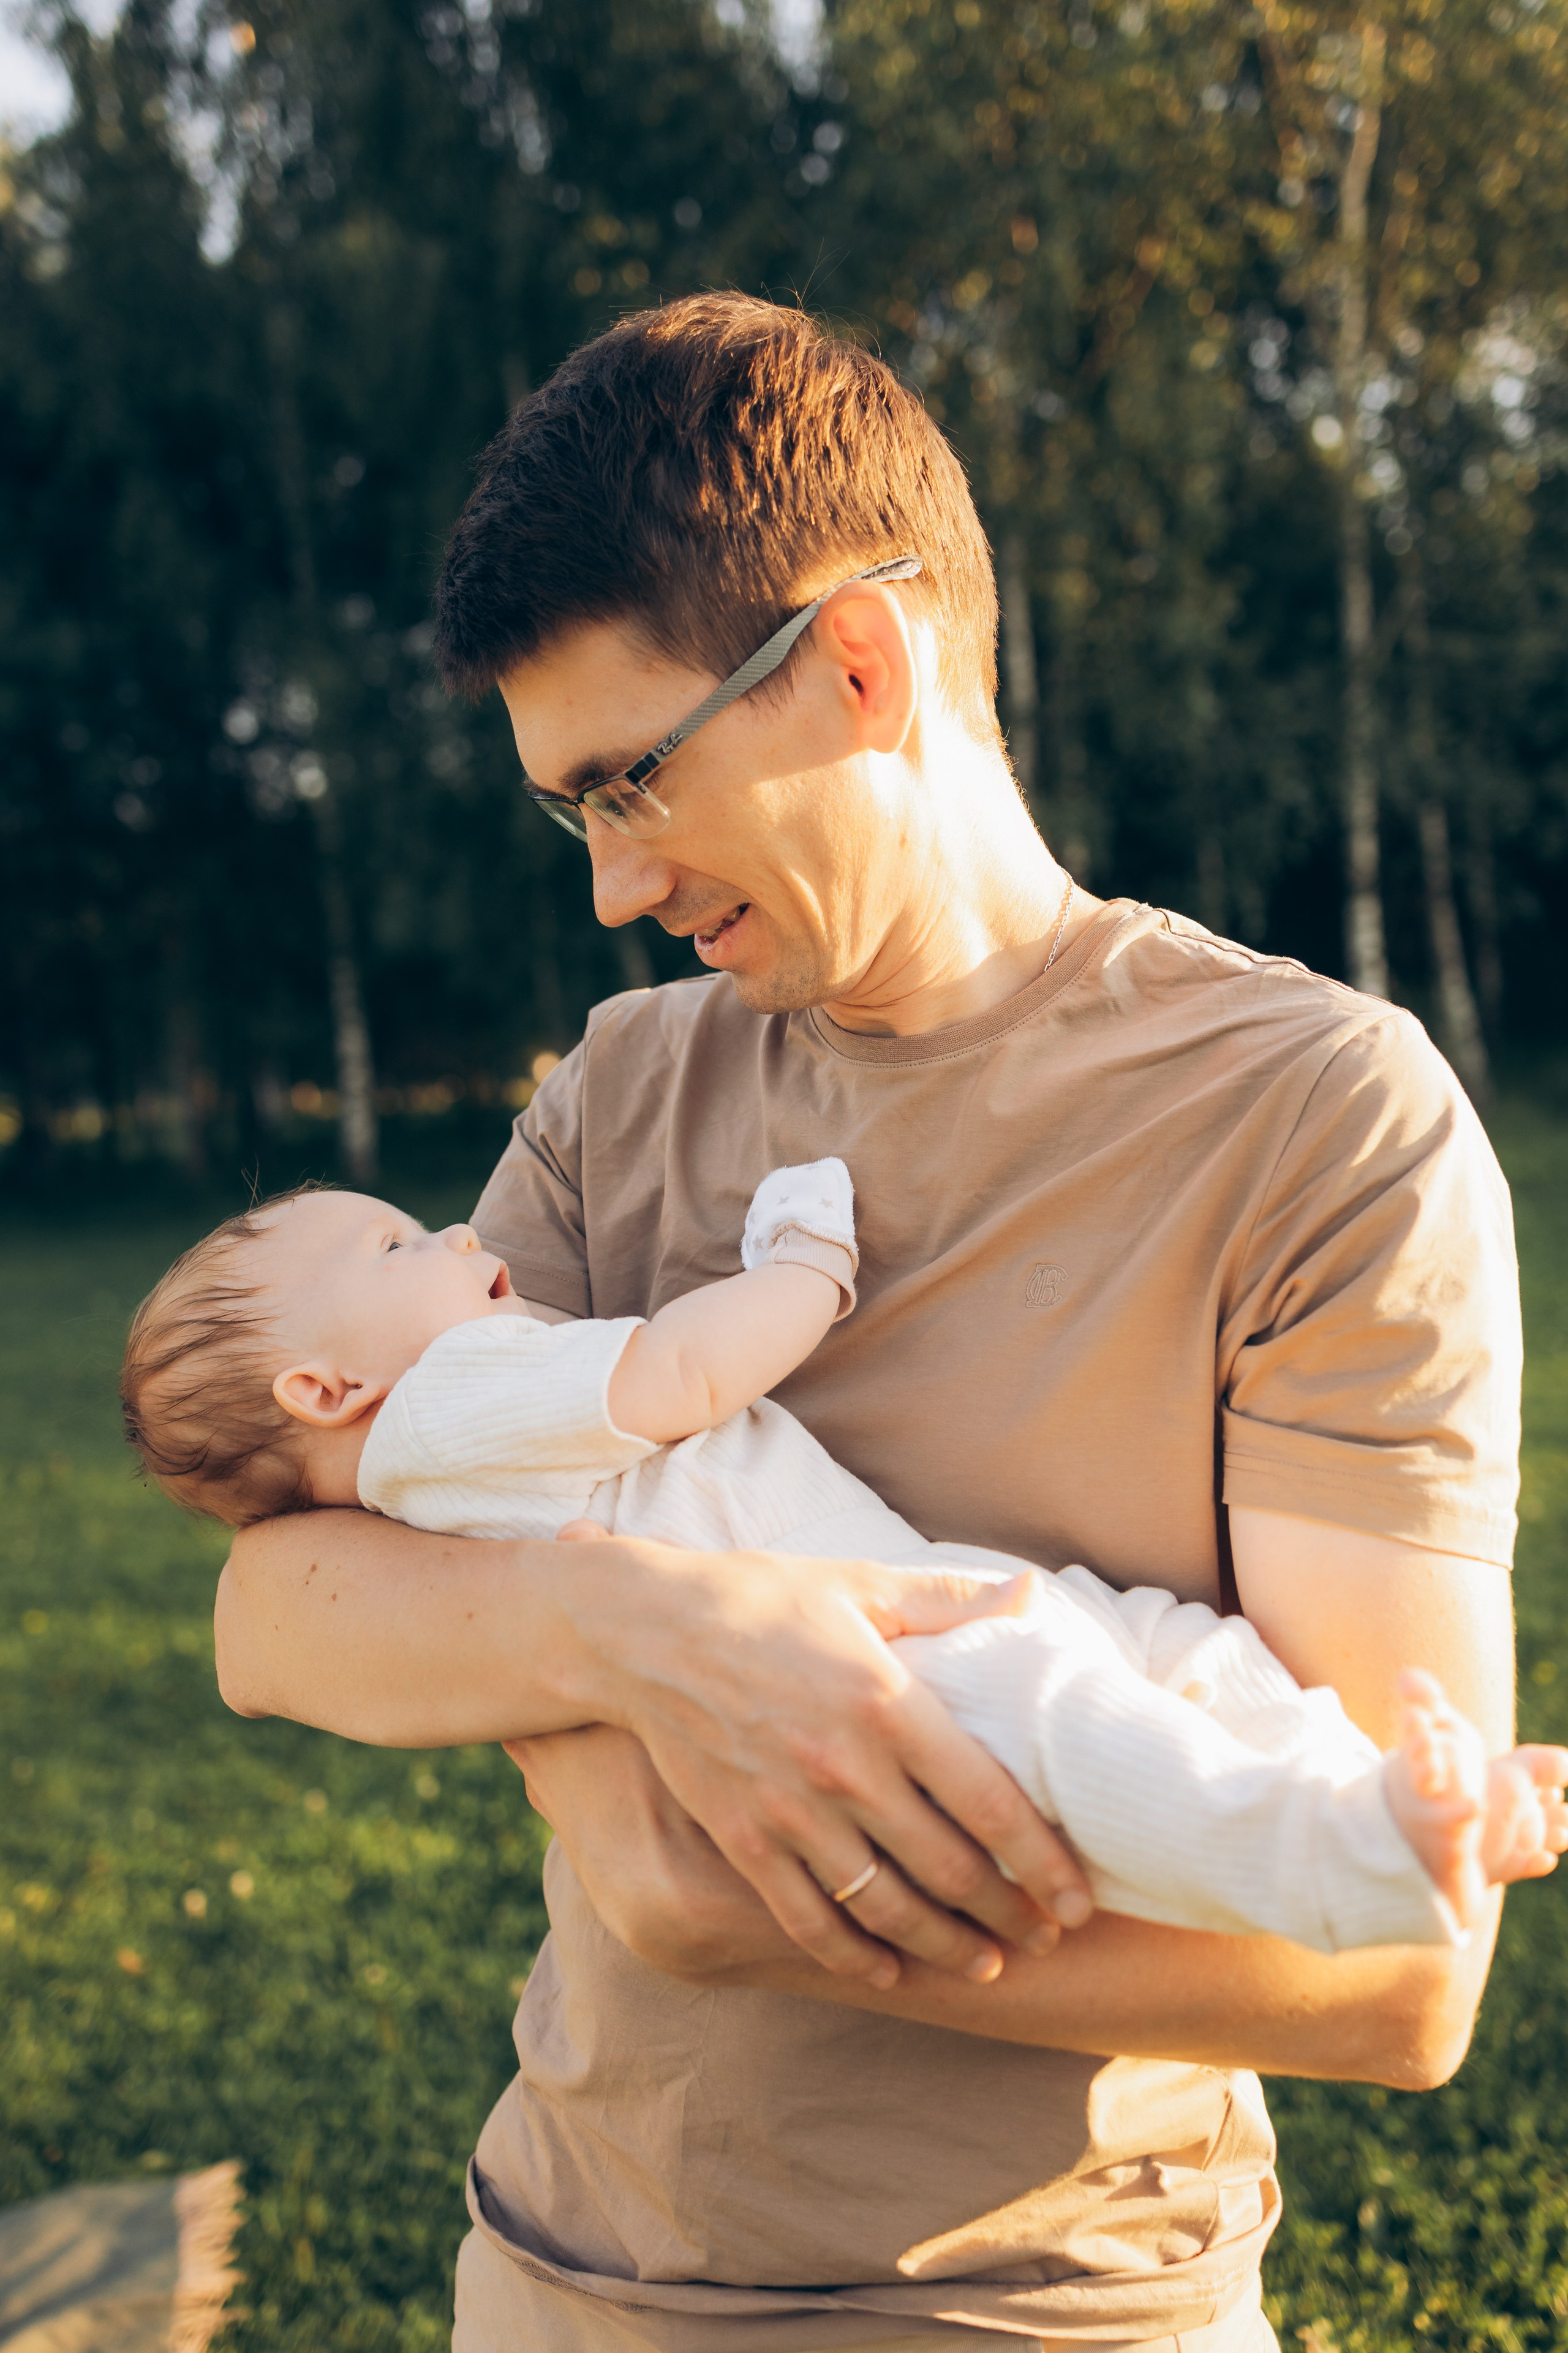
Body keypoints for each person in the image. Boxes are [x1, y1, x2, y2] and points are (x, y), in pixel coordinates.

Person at [213, 295, 1525, 2353]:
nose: (611, 891)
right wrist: (636, 1643)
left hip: (1051, 2316)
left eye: (628, 785)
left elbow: (1404, 1978)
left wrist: (744, 1917)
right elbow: (276, 1608)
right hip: (554, 2278)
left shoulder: (1320, 1123)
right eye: (575, 811)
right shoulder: (620, 1099)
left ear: (855, 665)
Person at [126, 1173, 1563, 1958]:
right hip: (880, 1665)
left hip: (914, 1592)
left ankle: (1370, 1786)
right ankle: (1352, 1854)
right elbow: (684, 1367)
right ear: (325, 1393)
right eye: (392, 1243)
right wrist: (804, 1258)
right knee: (1076, 1702)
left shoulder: (423, 1448)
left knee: (1137, 1649)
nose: (448, 1229)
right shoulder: (451, 1398)